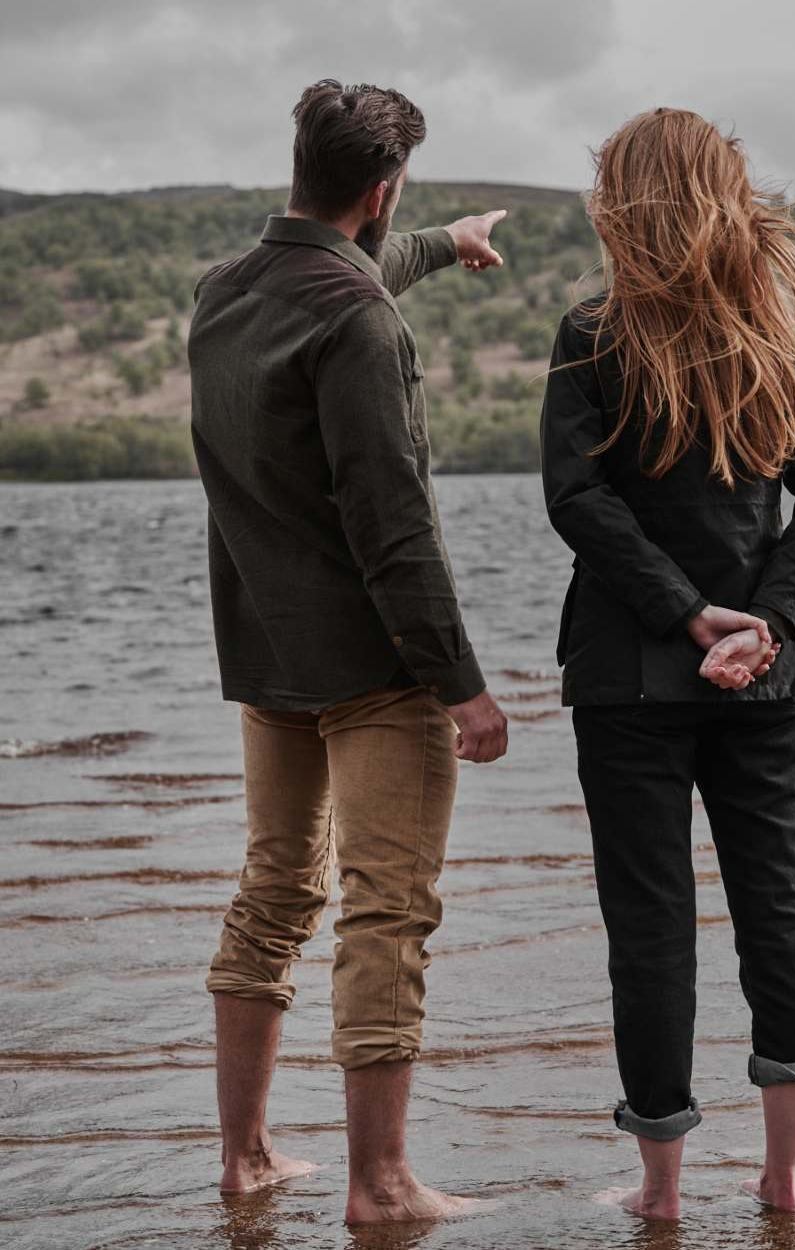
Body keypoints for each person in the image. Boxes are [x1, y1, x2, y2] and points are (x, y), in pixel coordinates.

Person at [187, 79, 509, 1222]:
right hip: (376, 671)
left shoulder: (222, 293)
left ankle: (248, 1157)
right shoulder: (361, 321)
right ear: (380, 188)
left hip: (266, 659)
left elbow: (350, 270)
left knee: (273, 890)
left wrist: (445, 240)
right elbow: (393, 521)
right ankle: (379, 1181)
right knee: (387, 908)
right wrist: (460, 683)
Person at [540, 107, 795, 1220]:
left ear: (621, 201)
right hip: (764, 671)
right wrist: (763, 623)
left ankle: (662, 1190)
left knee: (650, 917)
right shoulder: (781, 330)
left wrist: (690, 617)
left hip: (630, 672)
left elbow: (576, 501)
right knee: (779, 905)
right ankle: (782, 1178)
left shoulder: (592, 331)